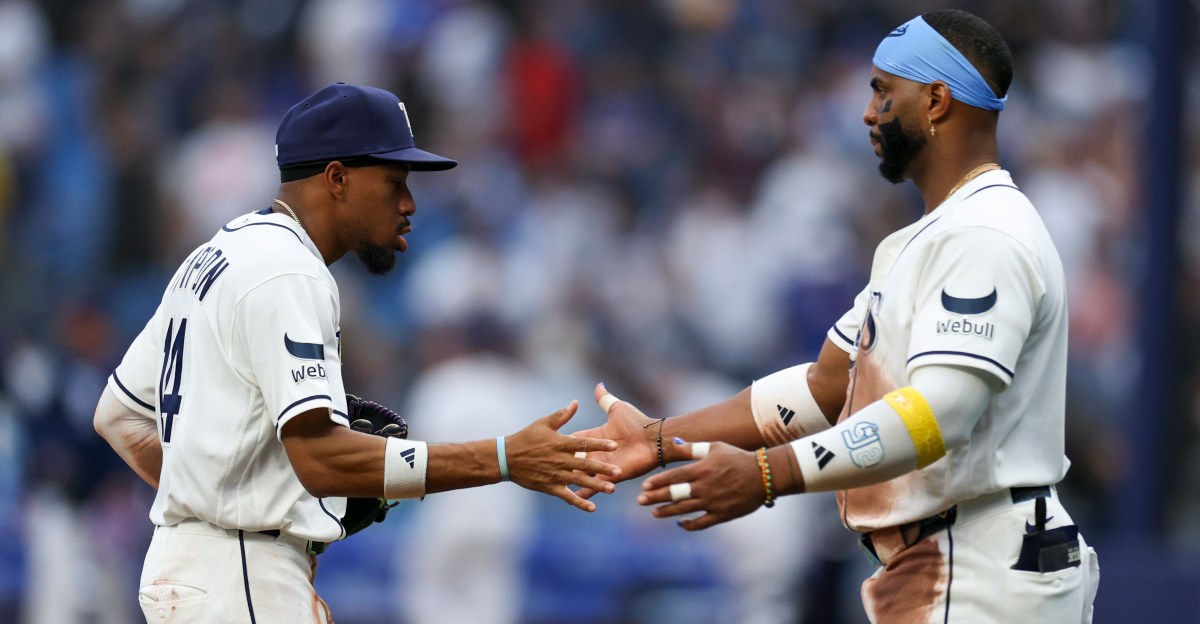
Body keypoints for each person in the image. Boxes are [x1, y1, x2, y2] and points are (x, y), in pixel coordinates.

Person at [575, 10, 1100, 623]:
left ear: (935, 100)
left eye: (883, 90)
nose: (868, 112)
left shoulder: (984, 234)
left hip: (984, 565)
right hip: (944, 560)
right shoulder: (922, 240)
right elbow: (827, 386)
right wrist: (663, 439)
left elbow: (941, 413)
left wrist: (766, 475)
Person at [92, 82, 620, 623]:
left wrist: (215, 506)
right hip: (240, 576)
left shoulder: (215, 255)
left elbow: (119, 416)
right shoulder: (287, 269)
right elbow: (321, 459)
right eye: (394, 182)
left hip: (192, 567)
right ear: (337, 178)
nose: (410, 203)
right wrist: (505, 458)